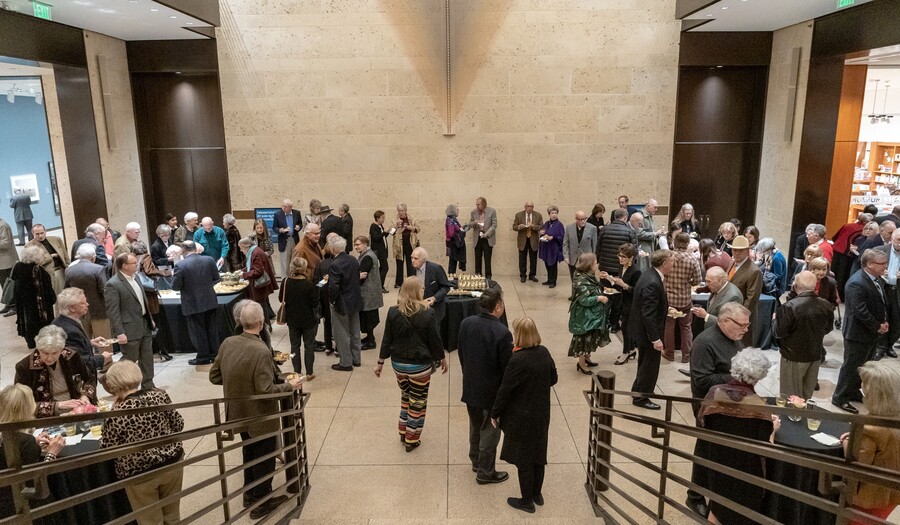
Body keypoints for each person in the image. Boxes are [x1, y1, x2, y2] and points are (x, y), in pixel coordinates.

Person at [209, 301, 304, 519]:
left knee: (249, 454)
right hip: (260, 416)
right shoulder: (261, 350)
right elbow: (266, 389)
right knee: (264, 458)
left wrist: (237, 380)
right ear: (261, 323)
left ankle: (249, 495)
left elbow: (215, 376)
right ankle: (262, 502)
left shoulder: (228, 343)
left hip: (238, 413)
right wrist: (290, 386)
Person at [683, 302, 750, 518]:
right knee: (706, 450)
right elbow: (701, 381)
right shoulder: (704, 343)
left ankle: (719, 495)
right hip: (709, 407)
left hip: (731, 403)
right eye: (742, 325)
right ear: (724, 321)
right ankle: (695, 496)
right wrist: (736, 378)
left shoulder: (734, 338)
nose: (745, 330)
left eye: (747, 326)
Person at [698, 348, 778, 525]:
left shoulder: (714, 393)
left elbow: (701, 422)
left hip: (716, 462)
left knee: (717, 506)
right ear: (760, 376)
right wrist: (773, 429)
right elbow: (765, 448)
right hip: (746, 471)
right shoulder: (759, 408)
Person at [101, 360, 184, 525]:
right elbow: (179, 424)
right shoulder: (159, 395)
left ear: (113, 385)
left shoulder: (118, 412)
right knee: (172, 514)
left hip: (139, 473)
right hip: (172, 462)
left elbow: (107, 447)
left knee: (150, 520)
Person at [491, 317, 558, 513]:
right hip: (542, 413)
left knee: (524, 459)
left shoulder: (517, 360)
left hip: (521, 416)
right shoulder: (544, 352)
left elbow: (505, 390)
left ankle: (526, 500)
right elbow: (553, 378)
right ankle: (537, 493)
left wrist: (495, 413)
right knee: (538, 454)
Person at [375, 276, 448, 452]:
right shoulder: (428, 313)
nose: (424, 290)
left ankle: (402, 430)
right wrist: (442, 358)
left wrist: (380, 362)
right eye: (422, 288)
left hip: (398, 364)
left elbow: (387, 339)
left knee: (406, 396)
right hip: (419, 366)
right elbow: (435, 340)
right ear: (416, 291)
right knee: (418, 401)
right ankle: (411, 439)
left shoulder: (393, 312)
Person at [457, 287, 512, 484]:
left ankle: (475, 461)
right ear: (498, 307)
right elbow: (507, 367)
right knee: (490, 430)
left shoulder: (466, 323)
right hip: (491, 392)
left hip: (470, 386)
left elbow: (461, 354)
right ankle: (486, 471)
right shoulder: (502, 332)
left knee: (475, 425)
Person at [839, 361, 900, 524]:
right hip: (891, 492)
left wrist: (847, 443)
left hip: (868, 496)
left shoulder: (871, 430)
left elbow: (857, 463)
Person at [833, 249, 892, 414]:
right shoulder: (856, 283)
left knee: (863, 366)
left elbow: (880, 302)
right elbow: (860, 311)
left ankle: (852, 391)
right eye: (882, 264)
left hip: (870, 333)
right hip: (857, 334)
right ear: (870, 264)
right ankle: (840, 397)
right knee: (851, 367)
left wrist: (883, 321)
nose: (885, 267)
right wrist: (877, 326)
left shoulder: (876, 279)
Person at [0, 384, 66, 523]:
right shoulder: (25, 442)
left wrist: (32, 441)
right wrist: (52, 453)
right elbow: (37, 483)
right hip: (21, 504)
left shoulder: (10, 436)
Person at [774, 271, 834, 399]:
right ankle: (802, 417)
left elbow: (778, 333)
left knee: (791, 397)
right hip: (815, 355)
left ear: (795, 286)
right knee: (806, 395)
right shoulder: (826, 305)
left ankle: (791, 418)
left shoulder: (789, 307)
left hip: (793, 356)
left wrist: (775, 321)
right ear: (815, 285)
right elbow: (828, 328)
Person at [14, 324, 97, 417]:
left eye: (55, 353)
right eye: (45, 353)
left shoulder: (71, 356)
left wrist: (85, 396)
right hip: (45, 418)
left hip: (76, 411)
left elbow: (90, 379)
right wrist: (57, 405)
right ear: (38, 348)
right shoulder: (24, 367)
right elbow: (21, 403)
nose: (49, 358)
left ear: (62, 349)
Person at [630, 249, 673, 410]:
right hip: (648, 333)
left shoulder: (649, 274)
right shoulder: (653, 282)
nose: (673, 264)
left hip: (643, 330)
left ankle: (639, 390)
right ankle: (642, 398)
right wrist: (656, 339)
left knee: (644, 363)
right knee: (650, 365)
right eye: (672, 261)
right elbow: (648, 314)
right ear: (664, 263)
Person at [106, 252, 156, 390]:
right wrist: (119, 332)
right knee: (130, 359)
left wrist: (150, 319)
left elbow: (143, 302)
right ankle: (110, 379)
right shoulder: (113, 284)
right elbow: (113, 311)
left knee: (147, 357)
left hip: (144, 324)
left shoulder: (137, 278)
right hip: (129, 328)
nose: (137, 265)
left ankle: (148, 385)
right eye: (134, 263)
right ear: (124, 266)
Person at [172, 241, 221, 365]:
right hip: (210, 300)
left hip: (192, 302)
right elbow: (216, 278)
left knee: (197, 331)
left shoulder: (181, 265)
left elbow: (175, 286)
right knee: (212, 329)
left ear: (183, 250)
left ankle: (203, 357)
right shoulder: (209, 260)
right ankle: (215, 355)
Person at [51, 287, 113, 378]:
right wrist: (102, 358)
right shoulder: (70, 331)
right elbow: (82, 363)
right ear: (72, 308)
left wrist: (89, 342)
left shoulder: (59, 322)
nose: (87, 304)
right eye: (82, 303)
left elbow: (72, 348)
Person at [568, 253, 611, 373]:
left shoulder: (587, 275)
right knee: (582, 339)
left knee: (590, 337)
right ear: (589, 265)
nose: (597, 264)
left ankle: (587, 358)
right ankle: (581, 364)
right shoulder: (582, 280)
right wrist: (599, 298)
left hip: (592, 315)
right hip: (583, 316)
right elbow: (583, 300)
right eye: (595, 262)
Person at [596, 209, 637, 331]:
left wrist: (601, 262)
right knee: (618, 298)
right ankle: (614, 324)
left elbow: (598, 248)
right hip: (620, 270)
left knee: (605, 294)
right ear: (625, 218)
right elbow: (634, 252)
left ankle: (602, 323)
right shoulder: (629, 231)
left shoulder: (604, 229)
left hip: (605, 268)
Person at [279, 257, 319, 379]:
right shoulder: (309, 285)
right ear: (304, 269)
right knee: (309, 346)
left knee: (294, 346)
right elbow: (314, 303)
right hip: (308, 320)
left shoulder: (286, 282)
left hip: (292, 320)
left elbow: (281, 299)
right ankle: (309, 372)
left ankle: (297, 371)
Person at [664, 233, 702, 363]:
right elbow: (698, 280)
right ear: (687, 244)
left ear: (675, 242)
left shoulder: (668, 257)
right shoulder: (692, 259)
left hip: (669, 298)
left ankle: (669, 353)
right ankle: (686, 355)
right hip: (685, 299)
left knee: (669, 326)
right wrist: (688, 282)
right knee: (686, 327)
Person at [328, 235, 364, 371]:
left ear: (332, 249)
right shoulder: (354, 260)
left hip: (341, 303)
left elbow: (334, 287)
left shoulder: (334, 264)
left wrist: (332, 300)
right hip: (355, 301)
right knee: (355, 331)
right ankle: (356, 359)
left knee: (341, 333)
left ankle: (346, 362)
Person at [12, 245, 56, 349]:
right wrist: (53, 300)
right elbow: (48, 290)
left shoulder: (18, 267)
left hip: (23, 303)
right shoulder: (38, 271)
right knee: (41, 325)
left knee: (28, 323)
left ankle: (30, 342)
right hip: (39, 305)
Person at [64, 243, 110, 339]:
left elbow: (66, 291)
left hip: (79, 312)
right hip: (99, 311)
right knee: (104, 343)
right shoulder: (98, 269)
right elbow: (104, 291)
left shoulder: (69, 270)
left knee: (85, 342)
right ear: (93, 257)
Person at [608, 244, 641, 365]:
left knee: (625, 328)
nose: (620, 259)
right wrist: (610, 279)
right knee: (626, 327)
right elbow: (620, 282)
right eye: (619, 256)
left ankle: (626, 352)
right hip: (622, 302)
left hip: (631, 304)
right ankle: (631, 350)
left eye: (624, 257)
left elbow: (637, 291)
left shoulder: (636, 271)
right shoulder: (621, 267)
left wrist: (624, 285)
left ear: (631, 257)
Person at [727, 235, 763, 346]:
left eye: (740, 250)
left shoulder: (754, 271)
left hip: (741, 318)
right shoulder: (731, 263)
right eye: (734, 250)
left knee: (741, 348)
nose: (736, 253)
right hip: (728, 313)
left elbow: (752, 299)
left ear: (747, 251)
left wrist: (740, 319)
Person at [691, 266, 744, 331]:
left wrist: (706, 316)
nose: (707, 284)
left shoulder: (733, 297)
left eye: (709, 281)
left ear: (720, 281)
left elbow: (728, 323)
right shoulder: (717, 288)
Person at [238, 236, 278, 322]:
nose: (241, 251)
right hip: (259, 284)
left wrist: (244, 275)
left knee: (261, 307)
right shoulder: (254, 251)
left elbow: (258, 271)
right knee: (263, 306)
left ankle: (265, 328)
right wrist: (242, 271)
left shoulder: (255, 253)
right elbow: (251, 267)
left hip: (260, 285)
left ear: (246, 246)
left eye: (241, 248)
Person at [354, 236, 383, 350]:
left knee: (368, 317)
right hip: (370, 292)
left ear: (365, 244)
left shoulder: (367, 257)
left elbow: (362, 275)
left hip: (368, 293)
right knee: (368, 316)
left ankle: (371, 341)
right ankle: (369, 337)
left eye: (358, 244)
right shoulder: (367, 255)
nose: (356, 247)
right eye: (355, 245)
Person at [832, 212, 872, 293]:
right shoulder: (863, 230)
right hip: (847, 254)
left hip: (836, 250)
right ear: (865, 222)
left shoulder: (847, 225)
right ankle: (840, 294)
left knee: (833, 272)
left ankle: (831, 291)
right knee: (842, 275)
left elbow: (834, 237)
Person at [563, 211, 598, 301]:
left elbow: (594, 244)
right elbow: (565, 243)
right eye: (581, 219)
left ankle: (588, 294)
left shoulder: (592, 228)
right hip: (573, 258)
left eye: (584, 219)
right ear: (576, 219)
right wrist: (566, 256)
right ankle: (574, 295)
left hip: (587, 259)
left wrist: (594, 259)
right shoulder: (569, 228)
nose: (583, 221)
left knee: (588, 277)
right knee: (574, 278)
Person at [28, 224, 69, 296]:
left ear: (45, 232)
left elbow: (65, 256)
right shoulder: (30, 246)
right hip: (48, 274)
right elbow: (36, 263)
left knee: (65, 294)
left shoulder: (56, 239)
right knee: (54, 296)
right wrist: (51, 256)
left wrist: (68, 268)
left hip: (62, 271)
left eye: (42, 233)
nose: (40, 236)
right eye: (37, 234)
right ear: (33, 233)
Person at [273, 198, 304, 278]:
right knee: (285, 261)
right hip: (284, 240)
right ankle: (285, 280)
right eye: (282, 205)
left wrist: (298, 227)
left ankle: (294, 278)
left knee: (295, 260)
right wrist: (280, 230)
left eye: (285, 206)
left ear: (290, 207)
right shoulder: (277, 214)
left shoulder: (297, 213)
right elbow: (274, 227)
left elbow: (300, 224)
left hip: (294, 239)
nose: (283, 208)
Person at [512, 202, 542, 283]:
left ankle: (532, 275)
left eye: (531, 206)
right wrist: (519, 227)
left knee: (533, 259)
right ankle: (523, 275)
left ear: (533, 207)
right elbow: (514, 227)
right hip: (523, 240)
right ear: (524, 207)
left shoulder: (538, 215)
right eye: (528, 206)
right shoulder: (518, 215)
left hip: (533, 239)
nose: (529, 208)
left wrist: (533, 226)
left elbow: (541, 226)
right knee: (522, 259)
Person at [469, 197, 497, 279]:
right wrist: (475, 222)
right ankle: (478, 276)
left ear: (484, 204)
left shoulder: (492, 211)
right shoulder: (473, 212)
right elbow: (470, 224)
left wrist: (487, 234)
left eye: (478, 204)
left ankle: (488, 277)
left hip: (487, 238)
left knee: (487, 259)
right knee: (477, 258)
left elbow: (494, 225)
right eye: (476, 204)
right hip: (477, 238)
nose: (477, 206)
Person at [392, 203, 420, 288]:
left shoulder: (412, 219)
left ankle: (411, 282)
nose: (400, 212)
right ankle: (399, 283)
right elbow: (390, 232)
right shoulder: (394, 220)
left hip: (410, 243)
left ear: (405, 210)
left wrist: (412, 228)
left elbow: (418, 229)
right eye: (399, 210)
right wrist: (396, 227)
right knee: (399, 264)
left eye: (402, 210)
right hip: (399, 245)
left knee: (411, 263)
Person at [538, 205, 565, 288]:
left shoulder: (559, 224)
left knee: (553, 265)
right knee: (547, 264)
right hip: (546, 247)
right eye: (552, 213)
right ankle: (549, 279)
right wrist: (541, 234)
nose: (554, 215)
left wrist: (553, 237)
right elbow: (543, 233)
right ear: (549, 214)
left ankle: (553, 281)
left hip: (554, 248)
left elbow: (562, 236)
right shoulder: (546, 223)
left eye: (555, 213)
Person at [370, 210, 390, 291]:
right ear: (377, 219)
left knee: (382, 268)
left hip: (383, 249)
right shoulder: (373, 226)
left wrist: (388, 231)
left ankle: (379, 286)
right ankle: (380, 286)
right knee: (385, 268)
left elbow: (383, 236)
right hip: (378, 250)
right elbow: (376, 238)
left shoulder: (380, 225)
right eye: (382, 218)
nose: (383, 219)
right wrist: (384, 232)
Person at [445, 204, 467, 274]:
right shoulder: (450, 220)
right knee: (453, 261)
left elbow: (457, 229)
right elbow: (451, 233)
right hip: (453, 243)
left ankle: (452, 276)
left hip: (455, 243)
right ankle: (451, 277)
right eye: (457, 210)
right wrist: (461, 232)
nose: (458, 211)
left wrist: (463, 229)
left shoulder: (453, 219)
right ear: (453, 211)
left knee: (453, 261)